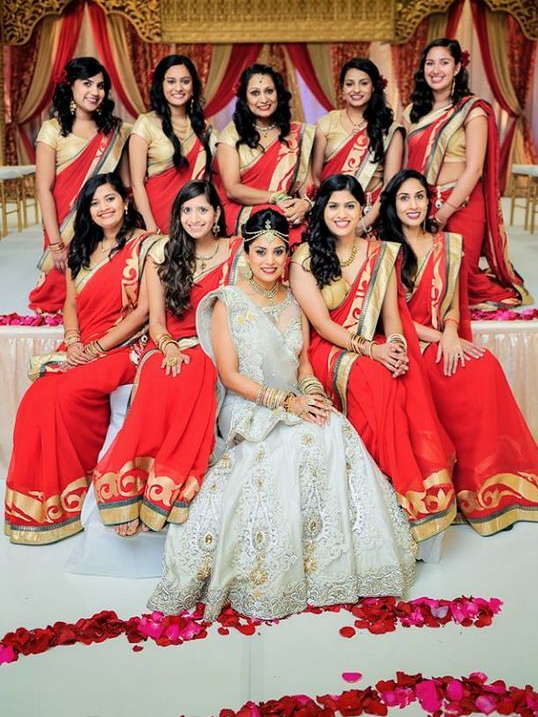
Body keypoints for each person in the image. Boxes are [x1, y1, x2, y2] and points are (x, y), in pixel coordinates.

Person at [148, 209, 416, 620]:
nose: (270, 260)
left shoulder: (293, 300)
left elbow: (304, 363)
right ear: (247, 254)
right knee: (296, 441)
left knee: (332, 429)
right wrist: (287, 403)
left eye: (278, 252)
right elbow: (230, 376)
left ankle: (328, 564)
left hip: (290, 397)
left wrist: (311, 392)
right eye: (261, 252)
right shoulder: (228, 303)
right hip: (247, 406)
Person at [375, 169, 538, 535]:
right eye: (404, 198)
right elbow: (390, 319)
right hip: (406, 341)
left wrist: (449, 331)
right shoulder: (383, 250)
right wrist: (437, 337)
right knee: (454, 375)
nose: (413, 205)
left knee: (485, 366)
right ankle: (453, 486)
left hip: (441, 337)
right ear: (392, 205)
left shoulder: (449, 244)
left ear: (429, 201)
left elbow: (454, 306)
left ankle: (488, 486)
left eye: (418, 197)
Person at [290, 174, 457, 545]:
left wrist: (396, 348)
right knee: (377, 381)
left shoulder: (380, 252)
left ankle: (421, 483)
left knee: (405, 375)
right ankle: (399, 492)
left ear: (362, 209)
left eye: (349, 205)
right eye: (333, 205)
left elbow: (393, 316)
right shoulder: (304, 257)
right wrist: (375, 351)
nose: (342, 213)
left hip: (373, 343)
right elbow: (321, 325)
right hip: (328, 348)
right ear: (322, 209)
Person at [5, 173, 154, 545]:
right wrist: (73, 341)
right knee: (37, 398)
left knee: (66, 393)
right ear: (87, 211)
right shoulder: (81, 248)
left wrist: (99, 348)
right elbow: (70, 303)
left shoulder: (146, 247)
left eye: (110, 199)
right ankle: (52, 505)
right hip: (82, 344)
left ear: (125, 200)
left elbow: (144, 313)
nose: (104, 208)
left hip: (126, 347)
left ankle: (78, 489)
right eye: (95, 203)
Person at [93, 180, 246, 536]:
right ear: (178, 216)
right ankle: (127, 486)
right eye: (187, 210)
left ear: (217, 213)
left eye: (202, 209)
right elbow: (157, 322)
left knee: (195, 374)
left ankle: (166, 487)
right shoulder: (161, 255)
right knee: (166, 376)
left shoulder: (236, 252)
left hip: (212, 347)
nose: (195, 218)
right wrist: (170, 347)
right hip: (167, 345)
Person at [404, 37, 529, 309]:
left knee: (461, 276)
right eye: (430, 63)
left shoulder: (472, 110)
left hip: (461, 203)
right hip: (420, 203)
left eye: (444, 63)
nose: (436, 70)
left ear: (458, 68)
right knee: (415, 275)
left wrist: (441, 214)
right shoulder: (412, 112)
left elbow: (473, 171)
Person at [29, 57, 131, 314]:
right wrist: (56, 243)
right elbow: (44, 188)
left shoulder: (115, 131)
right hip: (63, 223)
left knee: (98, 293)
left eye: (100, 86)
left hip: (102, 221)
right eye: (87, 84)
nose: (95, 92)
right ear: (70, 86)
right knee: (55, 295)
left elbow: (126, 184)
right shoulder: (52, 130)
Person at [213, 63, 316, 245]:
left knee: (306, 232)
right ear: (245, 98)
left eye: (269, 91)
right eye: (255, 93)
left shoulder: (297, 133)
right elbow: (232, 189)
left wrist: (305, 204)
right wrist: (275, 197)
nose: (263, 99)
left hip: (286, 211)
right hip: (241, 212)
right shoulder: (231, 134)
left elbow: (307, 186)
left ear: (278, 94)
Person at [311, 58, 405, 233]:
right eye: (349, 84)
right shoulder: (326, 123)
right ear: (342, 89)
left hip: (369, 216)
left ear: (374, 87)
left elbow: (389, 185)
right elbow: (315, 177)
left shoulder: (390, 130)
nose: (356, 90)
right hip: (329, 216)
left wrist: (365, 223)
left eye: (363, 83)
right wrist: (323, 214)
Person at [130, 54, 213, 234]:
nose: (178, 88)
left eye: (185, 81)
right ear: (161, 85)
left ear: (193, 87)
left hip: (194, 216)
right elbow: (136, 184)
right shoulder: (145, 124)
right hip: (157, 214)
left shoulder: (204, 126)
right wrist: (150, 226)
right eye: (171, 81)